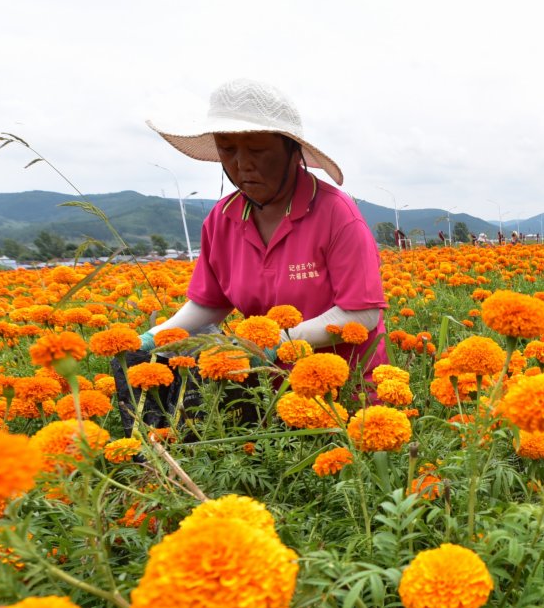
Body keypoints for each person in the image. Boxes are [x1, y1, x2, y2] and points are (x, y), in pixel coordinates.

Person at [135, 78, 388, 399]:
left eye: (257, 150)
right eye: (227, 149)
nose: (242, 164)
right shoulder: (221, 218)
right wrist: (153, 337)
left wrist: (273, 343)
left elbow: (363, 314)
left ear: (292, 151)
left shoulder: (335, 213)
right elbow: (210, 303)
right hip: (265, 393)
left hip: (344, 394)